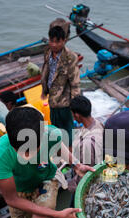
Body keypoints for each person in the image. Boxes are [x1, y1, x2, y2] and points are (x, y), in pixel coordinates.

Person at [41, 19, 80, 147]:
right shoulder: (47, 52)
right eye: (51, 41)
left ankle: (69, 159)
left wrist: (75, 106)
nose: (53, 44)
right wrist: (44, 91)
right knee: (55, 130)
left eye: (57, 41)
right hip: (52, 99)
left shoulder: (70, 57)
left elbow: (75, 83)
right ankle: (58, 153)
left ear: (64, 41)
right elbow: (47, 72)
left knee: (67, 131)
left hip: (65, 101)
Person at [68, 95, 104, 192]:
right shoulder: (97, 122)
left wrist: (69, 186)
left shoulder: (87, 144)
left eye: (72, 114)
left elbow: (85, 175)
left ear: (77, 115)